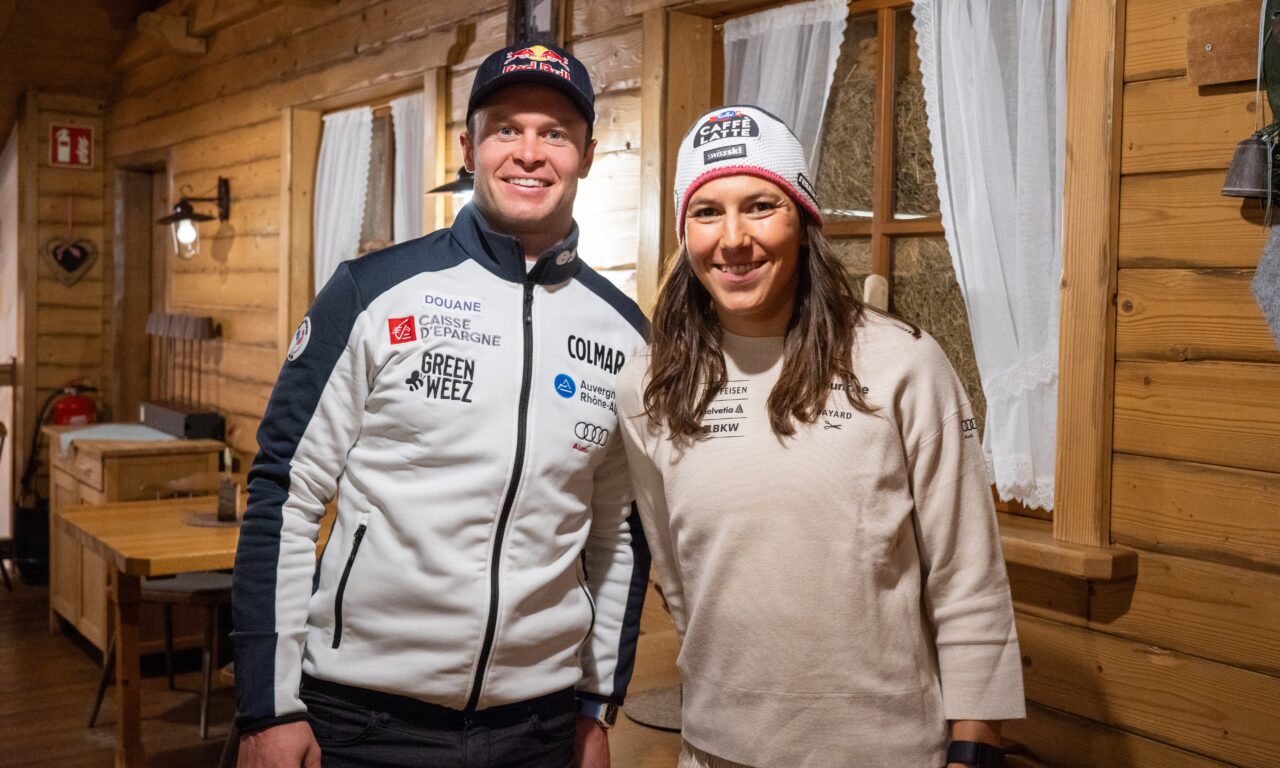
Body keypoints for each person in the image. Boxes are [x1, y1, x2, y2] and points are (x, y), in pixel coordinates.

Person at [233, 42, 650, 768]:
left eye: (554, 133)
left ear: (587, 154)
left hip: (540, 730)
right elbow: (285, 494)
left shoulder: (625, 333)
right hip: (362, 722)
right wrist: (268, 709)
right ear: (468, 147)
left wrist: (595, 706)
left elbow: (619, 533)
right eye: (505, 129)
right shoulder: (371, 292)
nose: (529, 153)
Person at [615, 105, 1025, 768]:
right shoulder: (650, 384)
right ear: (685, 234)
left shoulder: (902, 363)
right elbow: (678, 575)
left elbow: (966, 574)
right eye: (707, 212)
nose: (734, 239)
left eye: (761, 206)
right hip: (717, 750)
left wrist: (974, 747)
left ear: (804, 223)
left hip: (887, 752)